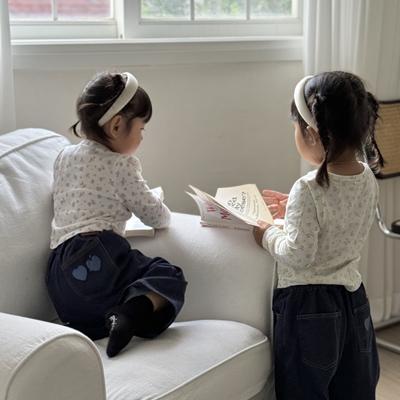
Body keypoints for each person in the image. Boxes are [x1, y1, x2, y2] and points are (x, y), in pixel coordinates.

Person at [253, 71, 384, 399]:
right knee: (353, 387)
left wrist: (267, 234)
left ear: (311, 134)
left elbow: (298, 255)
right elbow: (341, 220)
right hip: (353, 299)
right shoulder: (367, 176)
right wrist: (296, 211)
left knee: (305, 390)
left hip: (308, 308)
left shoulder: (308, 188)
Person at [46, 71, 187, 358]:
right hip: (97, 254)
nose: (142, 136)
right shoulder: (120, 165)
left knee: (96, 301)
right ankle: (128, 314)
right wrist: (162, 207)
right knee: (168, 275)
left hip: (59, 275)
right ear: (117, 126)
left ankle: (110, 322)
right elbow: (155, 216)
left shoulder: (64, 157)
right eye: (142, 128)